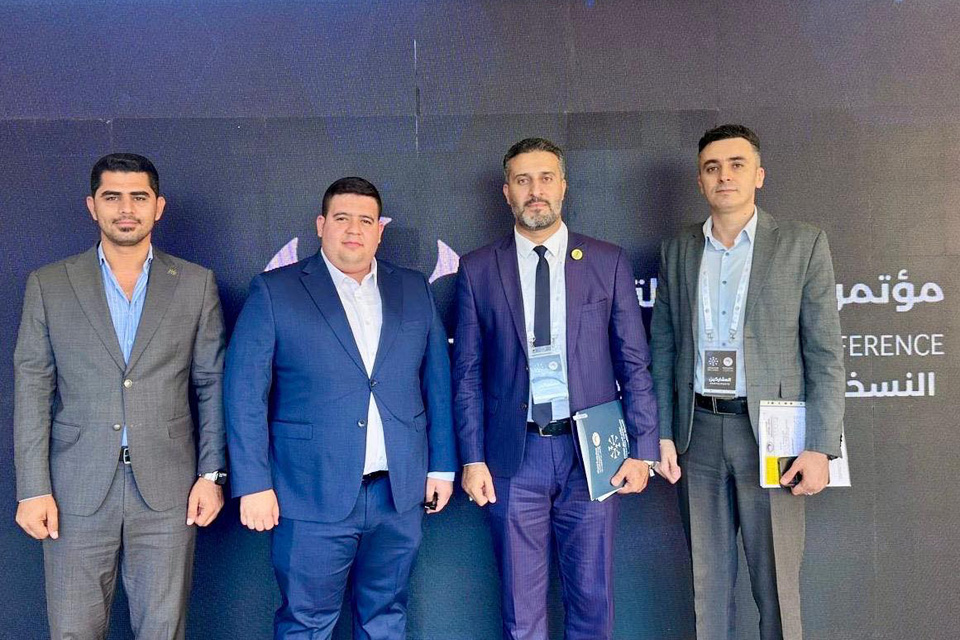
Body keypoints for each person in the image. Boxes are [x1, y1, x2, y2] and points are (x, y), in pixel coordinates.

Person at [225, 177, 456, 639]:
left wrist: (442, 467)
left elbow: (437, 383)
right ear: (321, 224)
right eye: (342, 218)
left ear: (379, 231)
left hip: (398, 494)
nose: (354, 230)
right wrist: (253, 483)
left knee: (386, 618)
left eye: (365, 221)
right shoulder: (274, 290)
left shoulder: (413, 288)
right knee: (306, 623)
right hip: (308, 492)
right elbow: (244, 393)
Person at [13, 153, 228, 640]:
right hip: (74, 489)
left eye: (138, 197)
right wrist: (32, 487)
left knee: (163, 631)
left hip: (170, 491)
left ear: (158, 207)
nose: (126, 209)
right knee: (73, 630)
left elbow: (211, 385)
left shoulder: (195, 284)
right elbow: (33, 389)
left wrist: (211, 474)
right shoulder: (49, 284)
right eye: (112, 197)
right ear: (92, 206)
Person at [453, 138, 659, 640]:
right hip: (513, 456)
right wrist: (472, 458)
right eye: (522, 180)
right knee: (520, 610)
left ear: (563, 186)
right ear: (506, 192)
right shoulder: (479, 268)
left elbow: (634, 363)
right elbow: (468, 373)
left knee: (592, 600)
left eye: (546, 178)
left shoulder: (607, 261)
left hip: (593, 455)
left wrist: (644, 450)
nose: (535, 191)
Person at [650, 124, 845, 640]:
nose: (725, 176)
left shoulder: (802, 244)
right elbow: (663, 351)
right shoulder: (677, 250)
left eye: (737, 165)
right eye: (712, 168)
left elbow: (825, 355)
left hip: (774, 438)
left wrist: (821, 447)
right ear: (700, 180)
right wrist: (662, 434)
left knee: (777, 588)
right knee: (707, 589)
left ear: (759, 175)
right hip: (697, 435)